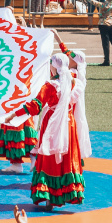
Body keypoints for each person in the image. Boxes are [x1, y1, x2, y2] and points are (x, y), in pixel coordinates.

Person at [12, 52, 89, 209]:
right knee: (66, 156)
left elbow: (35, 106)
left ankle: (49, 196)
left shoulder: (50, 86)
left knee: (50, 157)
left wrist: (13, 113)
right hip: (69, 124)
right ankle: (67, 192)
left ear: (54, 67)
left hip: (53, 124)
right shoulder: (74, 82)